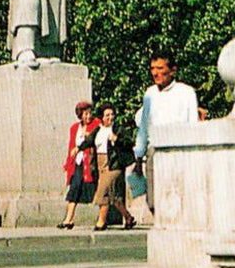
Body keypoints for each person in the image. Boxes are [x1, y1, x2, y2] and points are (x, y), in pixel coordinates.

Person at [133, 54, 200, 217]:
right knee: (153, 199)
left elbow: (193, 124)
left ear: (172, 71)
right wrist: (138, 156)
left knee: (177, 198)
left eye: (160, 68)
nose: (155, 73)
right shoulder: (150, 93)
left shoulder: (186, 92)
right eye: (152, 69)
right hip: (154, 151)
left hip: (178, 152)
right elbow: (142, 124)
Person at [85, 105, 136, 231]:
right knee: (114, 196)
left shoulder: (117, 129)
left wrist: (116, 139)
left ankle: (101, 222)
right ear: (101, 117)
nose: (110, 117)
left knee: (103, 191)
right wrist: (78, 149)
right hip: (101, 164)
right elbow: (89, 141)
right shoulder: (98, 130)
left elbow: (129, 142)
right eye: (107, 115)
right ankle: (128, 218)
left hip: (114, 164)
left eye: (112, 114)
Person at [58, 101, 100, 229]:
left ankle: (125, 216)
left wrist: (89, 137)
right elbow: (72, 146)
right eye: (85, 114)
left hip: (93, 164)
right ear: (80, 115)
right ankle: (68, 219)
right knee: (75, 188)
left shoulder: (97, 124)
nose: (88, 116)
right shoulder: (74, 128)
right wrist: (68, 163)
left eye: (89, 113)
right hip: (79, 163)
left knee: (102, 191)